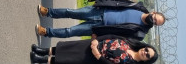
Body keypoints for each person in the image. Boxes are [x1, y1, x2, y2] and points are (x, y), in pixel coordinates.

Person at [35, 0, 165, 39]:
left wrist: (99, 37)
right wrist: (102, 2)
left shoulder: (140, 33)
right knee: (71, 12)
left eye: (155, 23)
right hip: (99, 11)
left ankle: (46, 32)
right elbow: (118, 1)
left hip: (99, 28)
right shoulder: (139, 6)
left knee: (70, 31)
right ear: (153, 12)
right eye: (155, 18)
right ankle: (48, 12)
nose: (153, 20)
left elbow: (119, 38)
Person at [30, 36, 158, 64]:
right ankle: (43, 50)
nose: (145, 52)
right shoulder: (131, 43)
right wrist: (97, 40)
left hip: (94, 58)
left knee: (68, 59)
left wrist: (98, 56)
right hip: (92, 45)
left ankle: (41, 60)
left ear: (146, 61)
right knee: (67, 47)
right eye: (147, 49)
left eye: (148, 55)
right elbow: (112, 35)